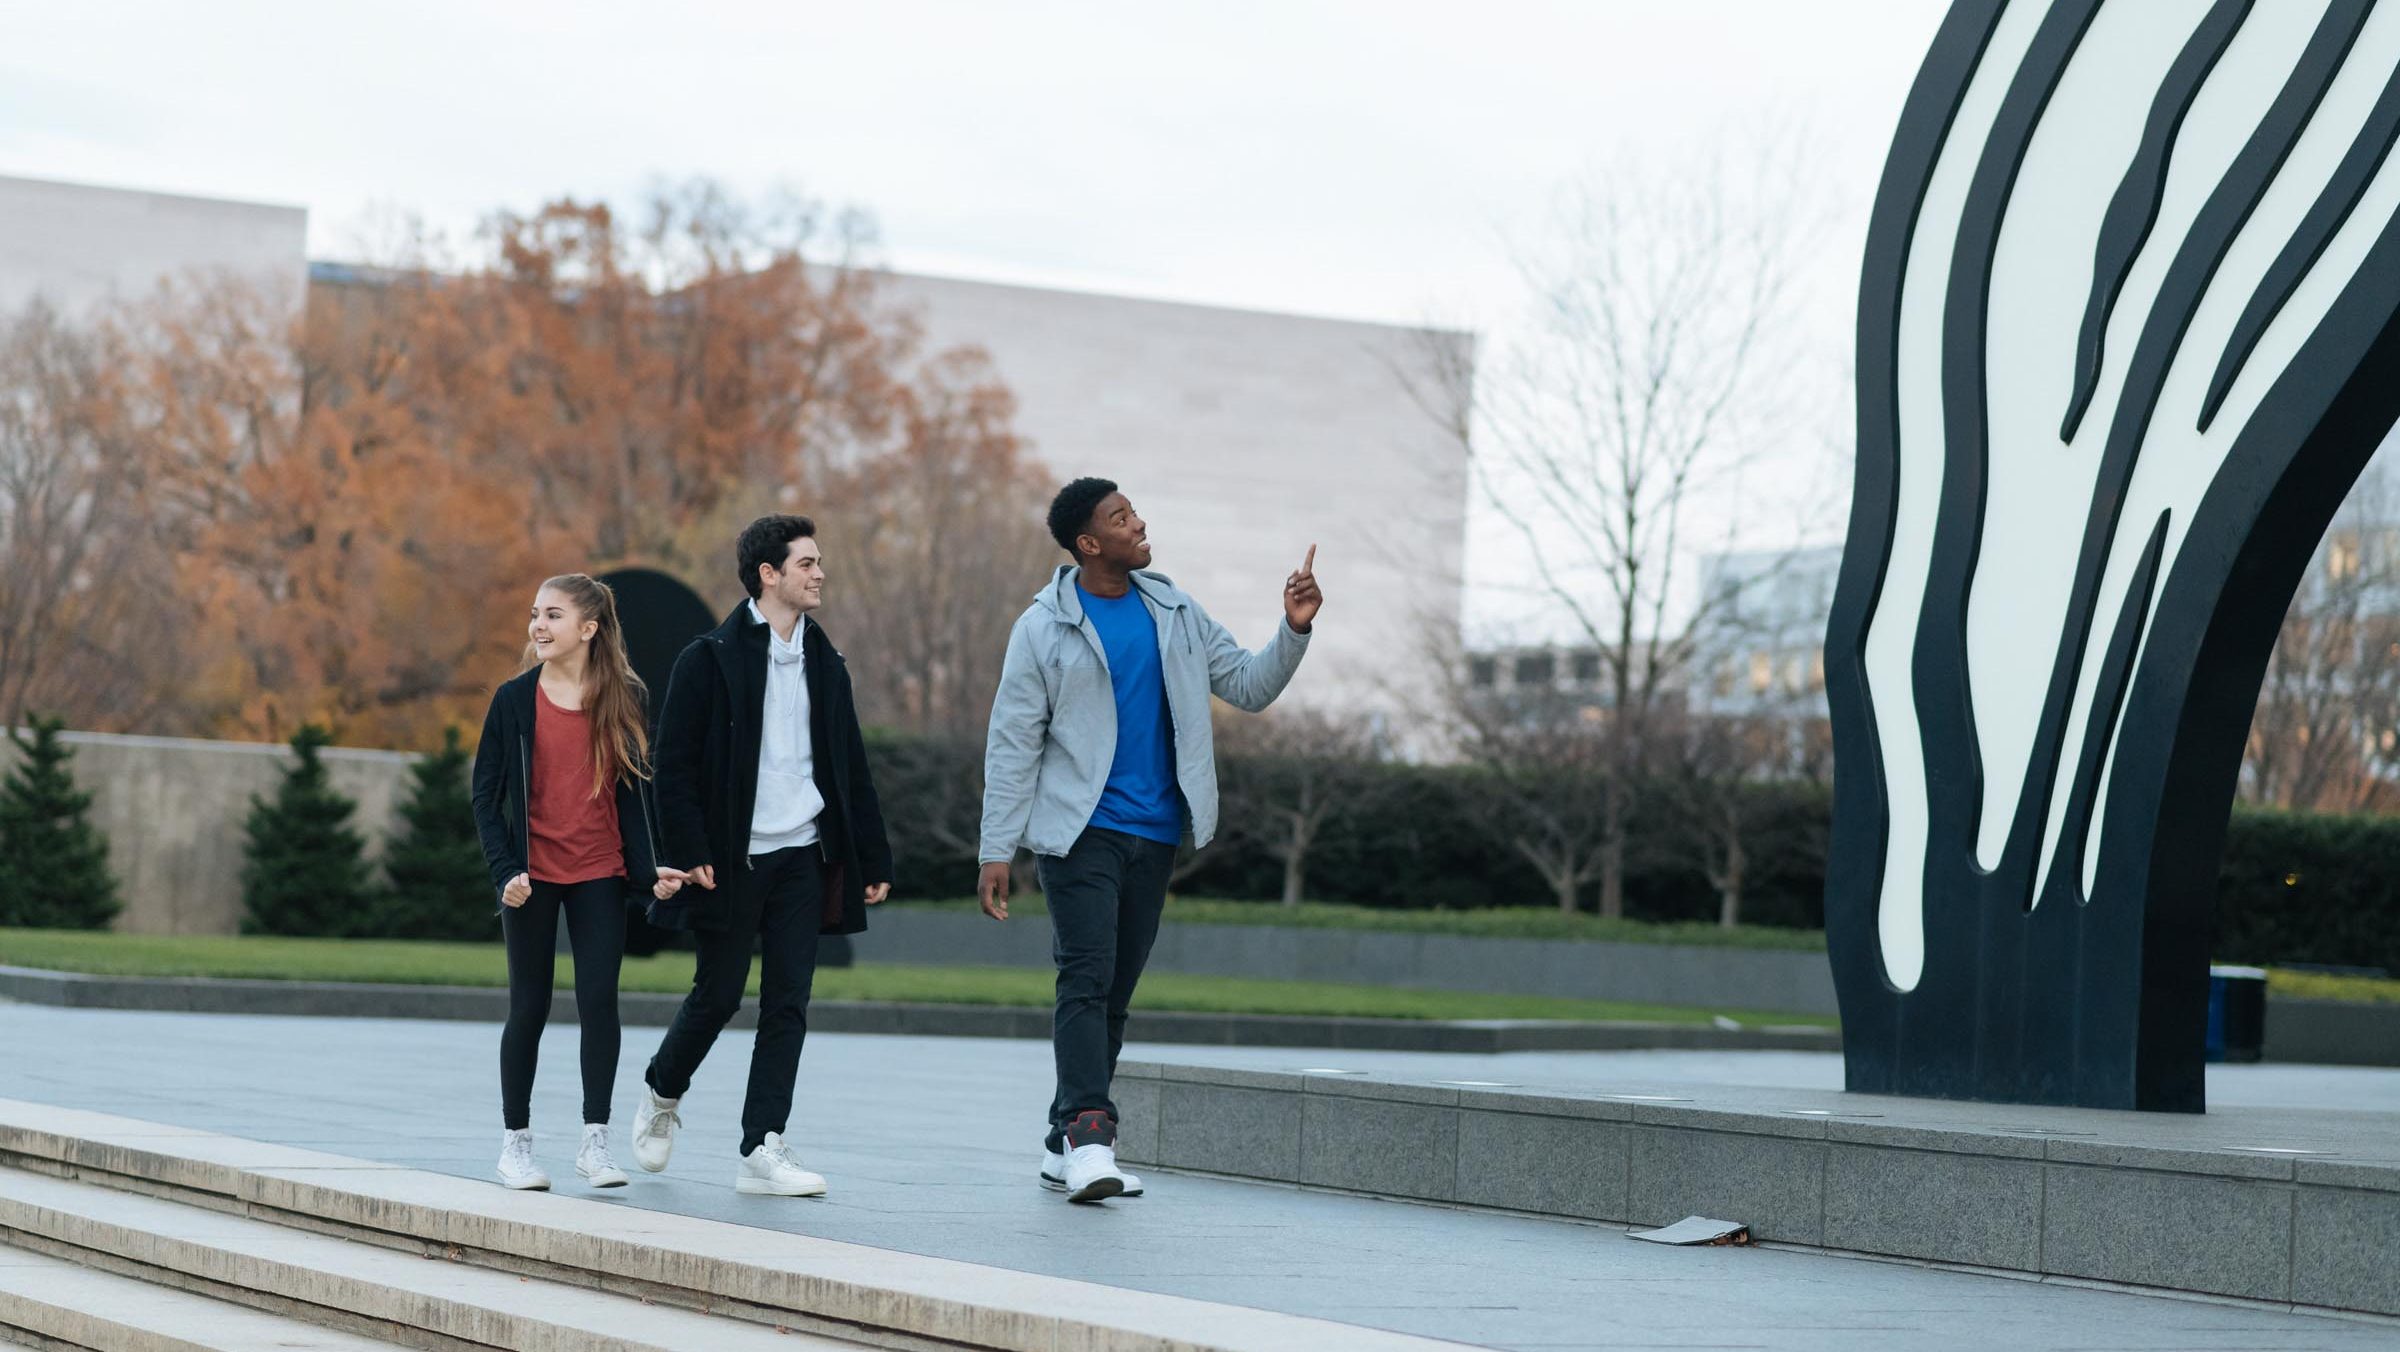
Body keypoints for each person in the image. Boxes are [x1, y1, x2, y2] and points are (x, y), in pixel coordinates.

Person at [978, 477, 1323, 1202]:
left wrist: (1292, 630)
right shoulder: (1043, 627)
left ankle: (1058, 1141)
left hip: (1155, 833)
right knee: (1085, 978)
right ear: (1088, 543)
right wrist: (996, 849)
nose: (1140, 524)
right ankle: (1089, 1138)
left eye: (1134, 511)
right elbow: (1013, 743)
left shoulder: (1173, 609)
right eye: (1121, 517)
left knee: (1114, 996)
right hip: (1079, 834)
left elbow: (1250, 687)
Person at [629, 514, 894, 1197]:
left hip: (802, 856)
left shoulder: (825, 661)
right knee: (717, 995)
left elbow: (849, 766)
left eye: (818, 561)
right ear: (768, 574)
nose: (819, 573)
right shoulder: (709, 659)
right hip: (732, 860)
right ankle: (662, 1092)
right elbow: (675, 766)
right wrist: (688, 850)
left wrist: (872, 856)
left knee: (788, 1003)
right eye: (806, 563)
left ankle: (761, 1148)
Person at [470, 573, 686, 1191]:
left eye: (554, 615)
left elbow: (629, 798)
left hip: (599, 873)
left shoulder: (621, 699)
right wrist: (505, 870)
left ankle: (595, 1144)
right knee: (529, 1009)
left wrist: (648, 876)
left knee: (599, 1005)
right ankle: (516, 1146)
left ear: (588, 629)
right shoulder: (513, 701)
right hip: (532, 879)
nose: (539, 625)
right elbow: (486, 798)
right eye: (536, 613)